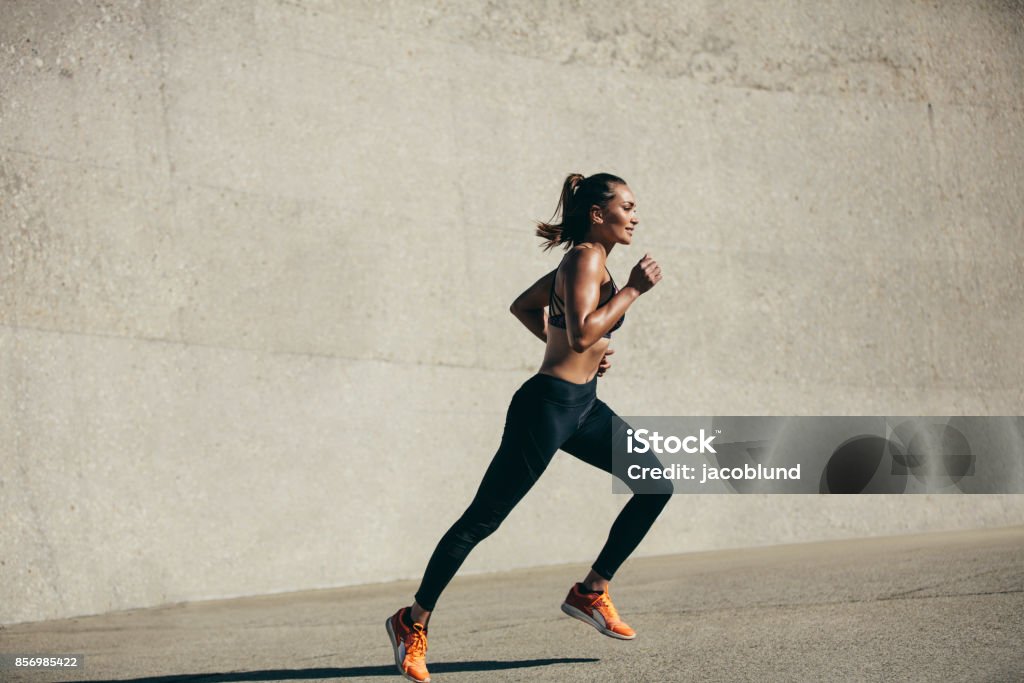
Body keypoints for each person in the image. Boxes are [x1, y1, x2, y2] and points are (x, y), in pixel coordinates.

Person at [385, 172, 672, 683]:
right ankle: (412, 622)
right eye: (627, 207)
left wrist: (567, 347)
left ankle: (590, 591)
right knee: (482, 520)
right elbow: (584, 331)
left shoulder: (593, 262)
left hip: (583, 406)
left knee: (655, 484)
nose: (636, 216)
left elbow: (530, 309)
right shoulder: (586, 258)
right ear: (598, 214)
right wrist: (632, 291)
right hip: (546, 409)